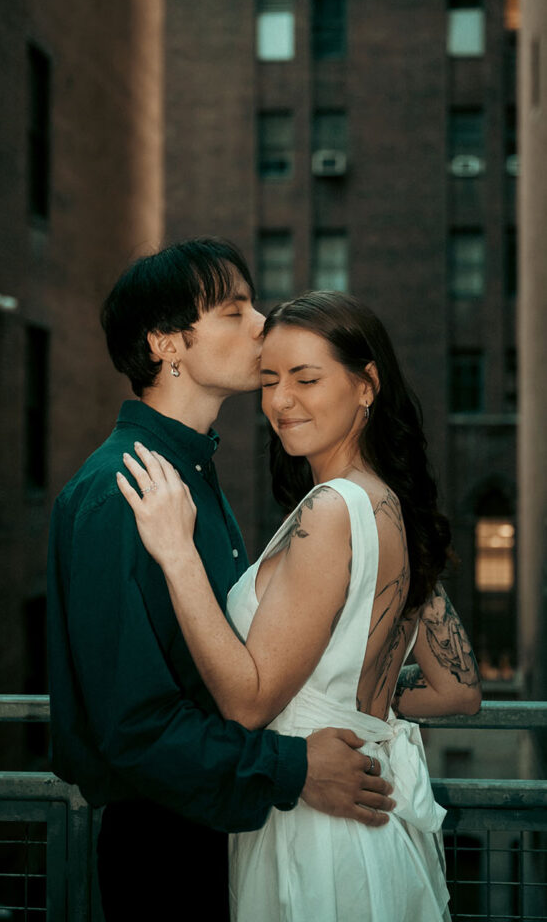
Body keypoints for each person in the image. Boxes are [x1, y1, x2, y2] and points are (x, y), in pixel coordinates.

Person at [47, 242, 395, 922]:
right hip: (165, 851)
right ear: (166, 344)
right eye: (234, 311)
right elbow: (133, 727)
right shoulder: (120, 493)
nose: (262, 323)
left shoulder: (192, 476)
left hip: (222, 829)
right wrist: (294, 768)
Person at [118, 291, 482, 922]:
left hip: (319, 834)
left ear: (366, 385)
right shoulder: (391, 507)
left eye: (306, 379)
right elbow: (460, 690)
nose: (280, 402)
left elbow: (249, 702)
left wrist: (178, 555)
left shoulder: (331, 510)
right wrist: (375, 703)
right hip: (373, 826)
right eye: (269, 380)